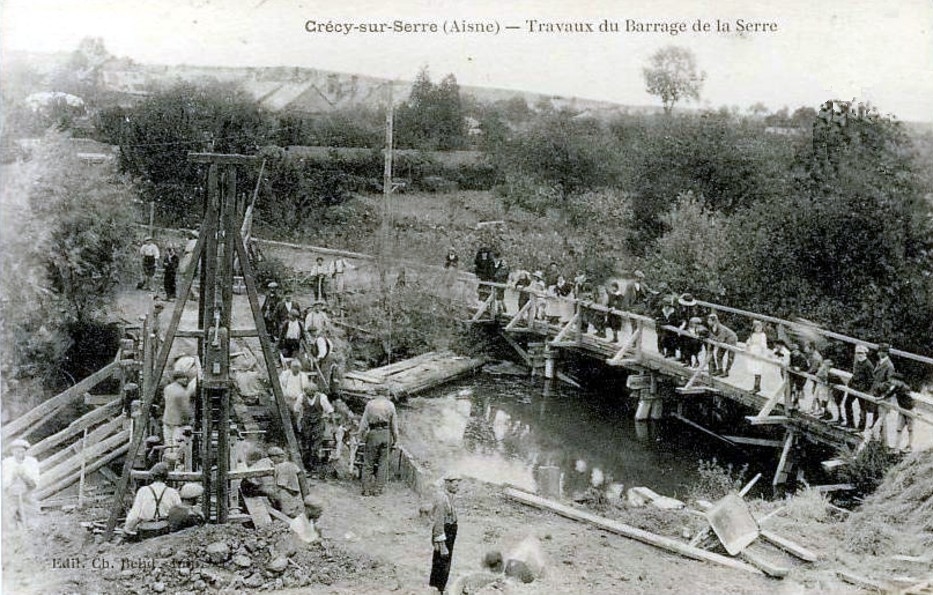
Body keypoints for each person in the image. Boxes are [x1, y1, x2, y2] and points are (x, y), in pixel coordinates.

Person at [358, 389, 400, 496]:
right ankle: (378, 489)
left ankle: (366, 489)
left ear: (376, 394)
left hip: (373, 433)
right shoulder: (390, 405)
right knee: (383, 463)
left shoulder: (370, 404)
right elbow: (394, 425)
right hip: (386, 434)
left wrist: (360, 436)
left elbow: (364, 423)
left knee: (368, 462)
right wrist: (396, 440)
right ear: (386, 394)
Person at [124, 462, 181, 539]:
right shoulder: (172, 492)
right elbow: (178, 512)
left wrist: (127, 528)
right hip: (164, 528)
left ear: (152, 476)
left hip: (146, 529)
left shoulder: (143, 491)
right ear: (166, 477)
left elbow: (135, 514)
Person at [429, 472, 461, 594]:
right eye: (455, 485)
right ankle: (437, 588)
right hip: (445, 532)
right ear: (447, 483)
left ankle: (438, 587)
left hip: (450, 531)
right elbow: (438, 523)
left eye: (458, 485)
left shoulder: (448, 496)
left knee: (445, 562)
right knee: (441, 562)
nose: (457, 488)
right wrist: (441, 544)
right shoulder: (442, 498)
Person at [2, 439, 40, 530]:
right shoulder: (7, 463)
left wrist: (24, 475)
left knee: (31, 518)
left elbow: (34, 483)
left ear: (26, 451)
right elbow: (4, 484)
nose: (20, 454)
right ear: (12, 451)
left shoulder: (32, 462)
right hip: (11, 495)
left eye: (22, 452)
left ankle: (31, 528)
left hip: (27, 494)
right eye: (17, 452)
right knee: (8, 518)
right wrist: (13, 477)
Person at [297, 389, 335, 476]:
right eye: (307, 394)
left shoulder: (322, 397)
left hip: (318, 423)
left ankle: (314, 468)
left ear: (314, 392)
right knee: (306, 445)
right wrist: (298, 422)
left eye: (311, 394)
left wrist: (334, 425)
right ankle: (306, 468)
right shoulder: (302, 397)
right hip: (306, 423)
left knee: (315, 446)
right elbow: (296, 409)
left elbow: (330, 411)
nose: (309, 395)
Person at [162, 369, 195, 448]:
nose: (186, 380)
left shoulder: (167, 388)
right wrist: (191, 419)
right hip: (178, 424)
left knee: (168, 445)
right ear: (178, 379)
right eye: (184, 378)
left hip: (166, 420)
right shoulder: (182, 392)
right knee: (177, 446)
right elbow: (185, 409)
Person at [870, 343, 896, 438]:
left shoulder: (889, 366)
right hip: (877, 393)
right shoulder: (880, 362)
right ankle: (874, 433)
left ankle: (880, 437)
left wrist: (878, 386)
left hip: (882, 394)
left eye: (881, 351)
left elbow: (890, 382)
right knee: (876, 413)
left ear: (885, 353)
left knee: (881, 417)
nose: (878, 353)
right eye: (879, 351)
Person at [268, 447, 304, 517]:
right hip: (295, 490)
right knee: (296, 508)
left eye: (271, 457)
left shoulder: (280, 466)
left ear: (278, 457)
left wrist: (274, 493)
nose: (271, 459)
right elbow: (299, 473)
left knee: (287, 511)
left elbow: (281, 484)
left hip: (285, 491)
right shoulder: (291, 464)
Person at [885, 374, 915, 452]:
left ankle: (909, 445)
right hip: (902, 410)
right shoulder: (896, 387)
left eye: (893, 381)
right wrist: (882, 398)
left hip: (909, 410)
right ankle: (896, 447)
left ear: (898, 381)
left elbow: (910, 400)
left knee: (910, 429)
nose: (892, 382)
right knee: (899, 429)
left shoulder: (905, 388)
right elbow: (889, 394)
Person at [849, 344, 875, 430]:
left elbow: (871, 379)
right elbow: (855, 374)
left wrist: (865, 388)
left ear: (865, 354)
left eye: (861, 353)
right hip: (854, 387)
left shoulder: (868, 365)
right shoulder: (857, 362)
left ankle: (861, 426)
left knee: (862, 408)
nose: (859, 355)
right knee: (847, 403)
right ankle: (850, 423)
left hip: (862, 389)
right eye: (858, 353)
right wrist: (850, 383)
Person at [746, 320, 768, 394]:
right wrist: (748, 348)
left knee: (758, 371)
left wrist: (761, 354)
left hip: (759, 354)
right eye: (757, 327)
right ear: (754, 328)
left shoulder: (762, 335)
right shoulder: (752, 334)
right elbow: (749, 342)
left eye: (760, 327)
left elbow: (763, 345)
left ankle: (756, 387)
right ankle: (756, 386)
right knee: (755, 370)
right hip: (753, 353)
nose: (758, 329)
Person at [491, 253, 509, 318]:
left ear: (507, 263)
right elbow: (495, 274)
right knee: (500, 297)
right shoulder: (500, 268)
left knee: (499, 297)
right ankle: (504, 308)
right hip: (498, 283)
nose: (503, 263)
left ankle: (500, 310)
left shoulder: (506, 269)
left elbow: (501, 275)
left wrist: (497, 275)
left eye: (504, 262)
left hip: (502, 284)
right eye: (503, 262)